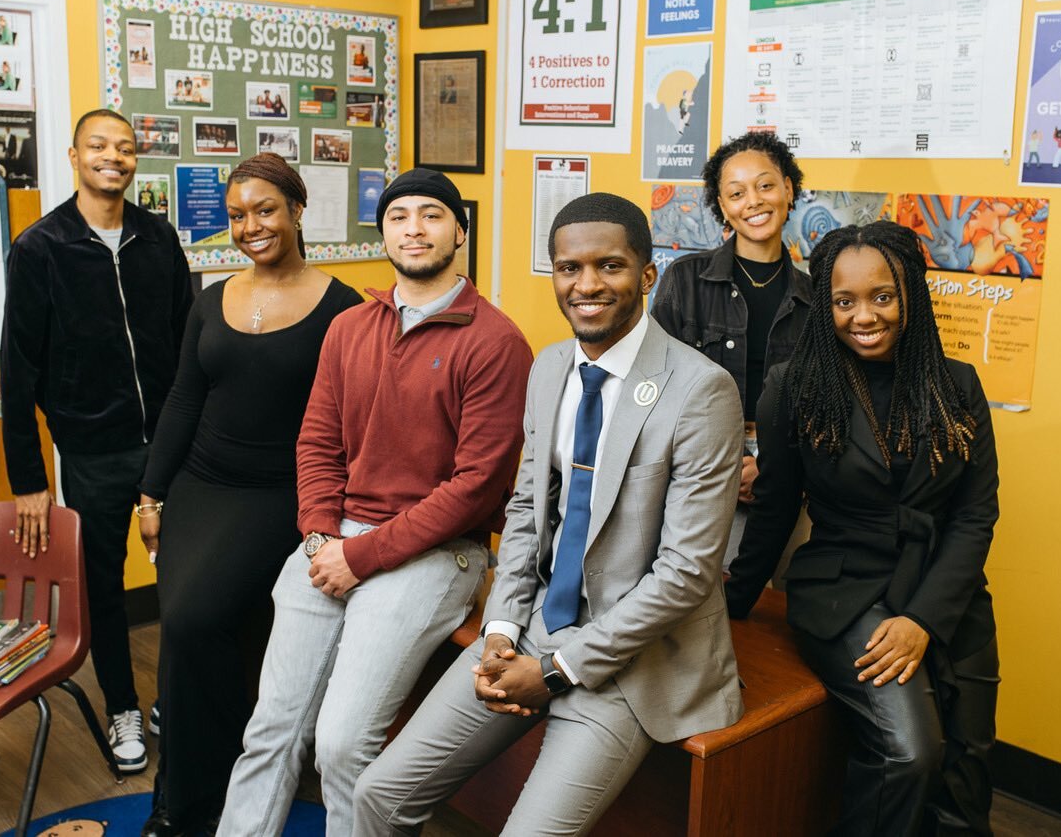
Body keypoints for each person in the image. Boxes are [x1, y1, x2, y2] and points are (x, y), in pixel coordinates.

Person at [353, 193, 744, 836]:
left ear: (647, 276)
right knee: (377, 794)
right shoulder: (550, 366)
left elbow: (686, 573)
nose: (587, 285)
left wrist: (559, 670)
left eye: (610, 266)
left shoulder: (700, 390)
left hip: (633, 662)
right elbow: (527, 510)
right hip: (533, 628)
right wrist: (504, 628)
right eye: (569, 268)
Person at [218, 168, 533, 836]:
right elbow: (316, 443)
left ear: (459, 231)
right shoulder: (351, 327)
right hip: (334, 541)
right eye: (399, 216)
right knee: (269, 729)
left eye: (431, 215)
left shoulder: (496, 342)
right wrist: (318, 537)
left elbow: (475, 487)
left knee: (339, 742)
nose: (414, 229)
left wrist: (359, 556)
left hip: (437, 552)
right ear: (382, 231)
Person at [726, 221, 1000, 835]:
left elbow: (975, 514)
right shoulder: (793, 388)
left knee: (967, 768)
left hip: (946, 593)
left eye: (882, 296)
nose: (863, 316)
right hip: (845, 591)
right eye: (843, 301)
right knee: (909, 753)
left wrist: (925, 619)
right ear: (824, 306)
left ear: (910, 295)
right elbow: (772, 510)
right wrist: (728, 606)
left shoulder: (957, 385)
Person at [136, 154, 362, 836]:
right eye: (237, 215)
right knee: (186, 631)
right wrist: (151, 494)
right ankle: (182, 801)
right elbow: (183, 400)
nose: (250, 226)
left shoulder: (343, 310)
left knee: (196, 620)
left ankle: (202, 796)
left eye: (265, 209)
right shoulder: (212, 299)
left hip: (282, 495)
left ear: (297, 210)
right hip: (200, 485)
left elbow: (352, 425)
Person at [0, 109, 194, 774]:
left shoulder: (159, 238)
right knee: (104, 588)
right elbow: (18, 370)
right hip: (93, 451)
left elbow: (188, 344)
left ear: (136, 159)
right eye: (99, 146)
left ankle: (175, 695)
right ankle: (123, 706)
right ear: (74, 155)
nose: (114, 156)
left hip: (171, 444)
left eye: (126, 147)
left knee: (189, 577)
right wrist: (29, 479)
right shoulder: (39, 248)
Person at [651, 130, 811, 568]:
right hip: (695, 472)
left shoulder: (815, 298)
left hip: (785, 475)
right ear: (723, 206)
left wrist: (773, 466)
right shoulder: (685, 281)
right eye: (736, 193)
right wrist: (727, 458)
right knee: (696, 601)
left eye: (765, 185)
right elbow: (652, 386)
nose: (754, 201)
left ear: (788, 189)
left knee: (771, 614)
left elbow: (824, 403)